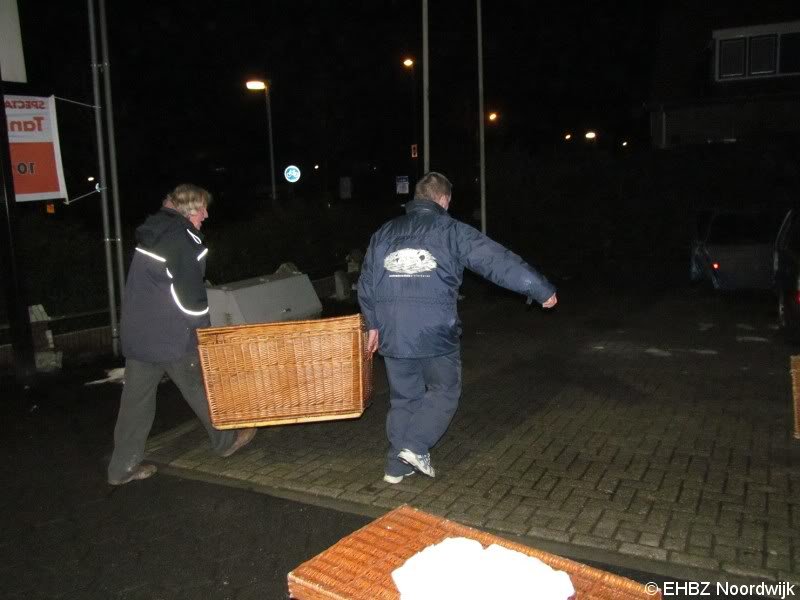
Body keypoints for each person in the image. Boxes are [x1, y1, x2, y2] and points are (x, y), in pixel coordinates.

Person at [357, 172, 557, 484]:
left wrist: (371, 325)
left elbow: (366, 283)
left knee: (405, 399)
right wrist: (539, 289)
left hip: (393, 334)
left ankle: (396, 467)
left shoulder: (384, 232)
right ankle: (414, 446)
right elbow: (495, 261)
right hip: (435, 333)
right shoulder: (450, 230)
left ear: (417, 198)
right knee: (444, 391)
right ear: (444, 200)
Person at [107, 184, 256, 485]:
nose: (206, 214)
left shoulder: (157, 231)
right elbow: (189, 299)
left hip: (140, 333)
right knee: (198, 386)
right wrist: (204, 332)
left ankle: (121, 468)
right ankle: (225, 442)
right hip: (170, 335)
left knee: (135, 402)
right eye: (201, 208)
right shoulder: (179, 239)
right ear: (188, 210)